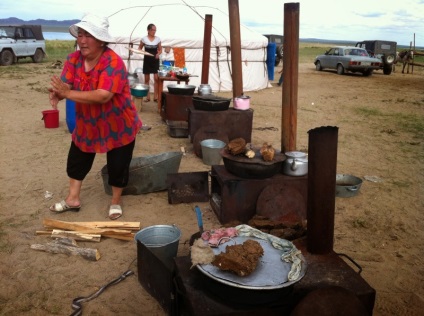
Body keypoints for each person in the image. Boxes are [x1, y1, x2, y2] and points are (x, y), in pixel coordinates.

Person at [48, 13, 142, 220]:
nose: (82, 40)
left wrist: (67, 93)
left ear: (101, 40)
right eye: (80, 35)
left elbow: (103, 95)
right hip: (88, 121)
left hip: (118, 122)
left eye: (88, 35)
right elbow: (67, 85)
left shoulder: (113, 62)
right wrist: (58, 92)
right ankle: (73, 199)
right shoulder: (74, 59)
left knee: (118, 164)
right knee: (77, 159)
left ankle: (115, 201)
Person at [138, 23, 162, 102]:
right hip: (147, 60)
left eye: (155, 30)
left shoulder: (158, 39)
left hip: (155, 60)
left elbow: (160, 50)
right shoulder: (144, 39)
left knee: (156, 79)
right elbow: (139, 48)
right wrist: (143, 52)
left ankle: (155, 97)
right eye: (152, 30)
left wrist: (158, 54)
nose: (154, 31)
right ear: (148, 30)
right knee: (147, 79)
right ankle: (147, 97)